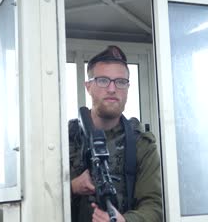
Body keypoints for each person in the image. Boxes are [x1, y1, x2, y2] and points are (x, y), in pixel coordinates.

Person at [69, 45, 163, 222]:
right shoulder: (63, 138)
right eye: (103, 80)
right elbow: (37, 193)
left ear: (127, 88)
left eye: (120, 82)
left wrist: (125, 221)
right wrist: (72, 187)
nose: (112, 89)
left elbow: (155, 207)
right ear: (88, 86)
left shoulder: (141, 143)